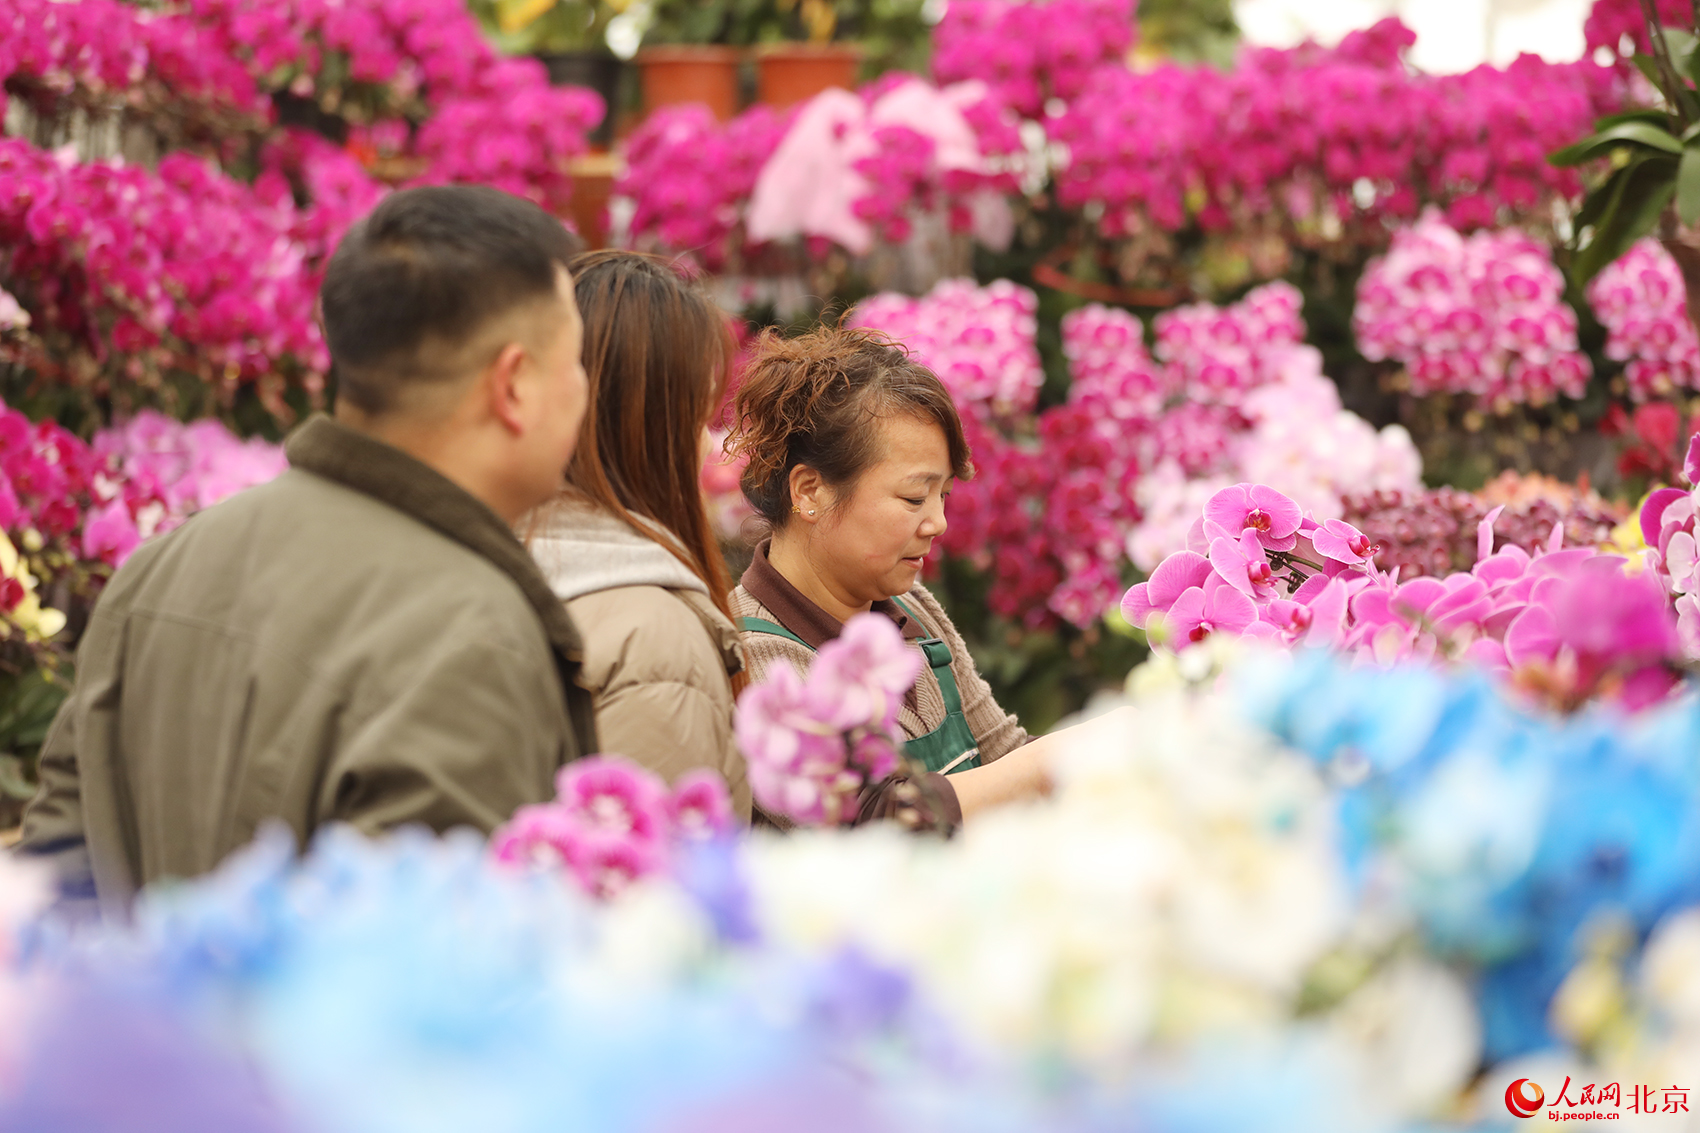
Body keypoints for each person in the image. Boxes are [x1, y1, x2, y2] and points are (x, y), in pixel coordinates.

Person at [18, 185, 599, 910]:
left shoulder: (159, 570)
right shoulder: (471, 629)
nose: (584, 389)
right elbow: (433, 987)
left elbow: (49, 888)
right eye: (576, 361)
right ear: (512, 385)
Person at [728, 325, 1131, 829]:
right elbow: (875, 822)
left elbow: (1003, 753)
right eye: (914, 498)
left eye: (944, 496)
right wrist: (1075, 750)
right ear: (810, 491)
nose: (937, 523)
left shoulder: (914, 607)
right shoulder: (749, 655)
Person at [524, 252, 750, 819]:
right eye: (699, 416)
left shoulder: (499, 563)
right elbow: (645, 893)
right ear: (653, 428)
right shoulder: (655, 641)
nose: (708, 445)